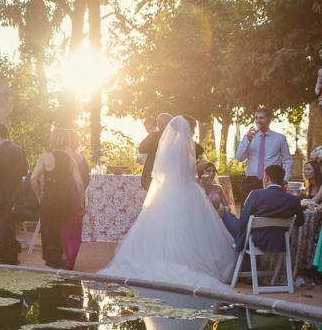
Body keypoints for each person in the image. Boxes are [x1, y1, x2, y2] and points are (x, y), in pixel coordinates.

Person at [102, 116, 237, 290]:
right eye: (192, 129)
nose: (192, 133)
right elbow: (186, 172)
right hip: (185, 189)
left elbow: (161, 171)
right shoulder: (184, 147)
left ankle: (166, 256)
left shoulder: (167, 147)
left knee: (167, 226)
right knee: (188, 226)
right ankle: (186, 258)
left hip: (168, 190)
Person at [30, 129, 85, 269]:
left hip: (49, 200)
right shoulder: (71, 160)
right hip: (66, 201)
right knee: (58, 231)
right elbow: (79, 183)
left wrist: (38, 196)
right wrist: (79, 203)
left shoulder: (45, 157)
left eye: (50, 137)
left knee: (50, 232)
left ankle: (56, 264)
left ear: (54, 140)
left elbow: (33, 178)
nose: (49, 140)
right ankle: (58, 261)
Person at [222, 164, 304, 254]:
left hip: (255, 241)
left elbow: (242, 223)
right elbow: (300, 222)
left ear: (267, 178)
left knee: (227, 216)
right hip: (280, 242)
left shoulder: (255, 195)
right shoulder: (294, 200)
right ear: (282, 180)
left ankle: (242, 255)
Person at [0, 123, 27, 265]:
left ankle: (7, 258)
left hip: (0, 197)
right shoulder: (19, 150)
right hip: (15, 195)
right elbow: (24, 171)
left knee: (1, 227)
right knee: (10, 226)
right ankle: (13, 257)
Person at [236, 107, 293, 205]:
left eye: (261, 118)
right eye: (256, 118)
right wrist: (247, 140)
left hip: (271, 181)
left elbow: (287, 160)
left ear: (270, 119)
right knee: (247, 211)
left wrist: (285, 179)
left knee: (269, 210)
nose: (258, 120)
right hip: (251, 180)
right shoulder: (248, 137)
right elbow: (239, 158)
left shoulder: (279, 138)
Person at [61, 130, 90, 270]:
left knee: (62, 226)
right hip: (78, 196)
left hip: (62, 196)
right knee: (75, 229)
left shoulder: (59, 157)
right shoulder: (81, 159)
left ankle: (64, 257)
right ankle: (71, 259)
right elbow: (86, 181)